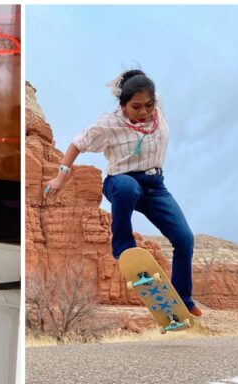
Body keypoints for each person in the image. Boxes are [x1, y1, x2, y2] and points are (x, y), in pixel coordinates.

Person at [44, 69, 201, 317]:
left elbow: (145, 90)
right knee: (128, 187)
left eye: (148, 105)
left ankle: (183, 299)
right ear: (122, 105)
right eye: (136, 107)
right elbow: (77, 144)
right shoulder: (109, 123)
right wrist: (60, 177)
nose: (144, 112)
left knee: (185, 240)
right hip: (120, 182)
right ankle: (123, 246)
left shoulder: (157, 107)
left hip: (156, 186)